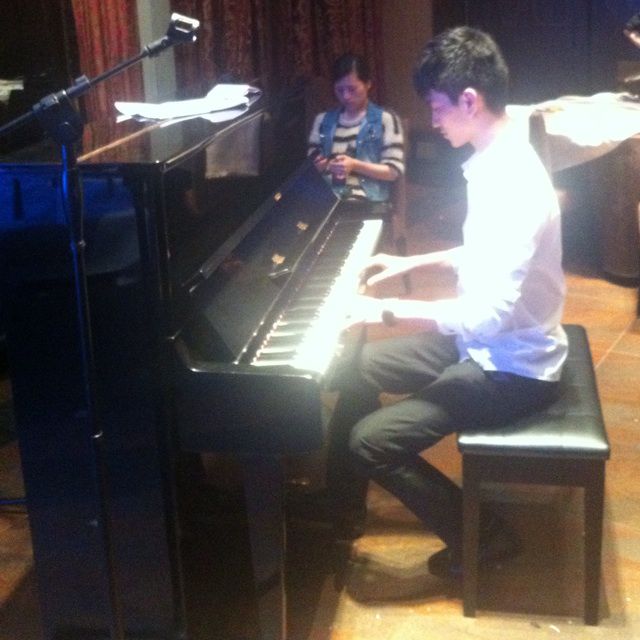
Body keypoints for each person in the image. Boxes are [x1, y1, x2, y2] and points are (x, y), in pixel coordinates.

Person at [325, 26, 568, 579]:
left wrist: (383, 311)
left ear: (469, 100)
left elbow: (485, 316)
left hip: (514, 369)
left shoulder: (514, 186)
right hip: (481, 345)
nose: (432, 120)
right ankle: (337, 507)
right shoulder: (495, 158)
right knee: (355, 367)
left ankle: (485, 540)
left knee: (369, 442)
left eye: (437, 107)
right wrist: (408, 264)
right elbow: (483, 253)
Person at [307, 53, 404, 212]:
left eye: (352, 89)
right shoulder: (322, 121)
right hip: (326, 204)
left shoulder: (385, 120)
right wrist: (319, 166)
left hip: (368, 204)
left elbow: (393, 171)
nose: (346, 96)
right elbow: (311, 168)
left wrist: (355, 165)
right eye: (340, 90)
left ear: (368, 84)